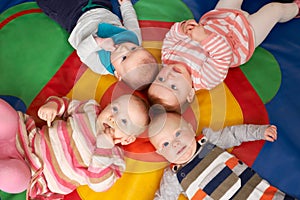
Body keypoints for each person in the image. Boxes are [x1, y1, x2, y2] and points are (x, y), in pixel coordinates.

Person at [148, 0, 300, 112]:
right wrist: (204, 39)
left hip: (218, 18)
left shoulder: (168, 57)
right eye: (173, 87)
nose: (169, 77)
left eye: (160, 79)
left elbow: (171, 37)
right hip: (242, 38)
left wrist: (182, 29)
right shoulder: (204, 79)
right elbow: (222, 55)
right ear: (190, 94)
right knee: (274, 9)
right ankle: (294, 9)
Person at [0, 94, 149, 199]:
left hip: (34, 174)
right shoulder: (91, 110)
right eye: (115, 109)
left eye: (124, 122)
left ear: (127, 140)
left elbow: (99, 184)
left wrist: (104, 147)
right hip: (26, 138)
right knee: (6, 115)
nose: (113, 118)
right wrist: (53, 106)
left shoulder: (114, 158)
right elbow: (66, 104)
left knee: (14, 178)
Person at [148, 112, 296, 199]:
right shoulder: (174, 177)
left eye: (177, 133)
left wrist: (259, 132)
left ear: (190, 128)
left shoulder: (208, 143)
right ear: (160, 153)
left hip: (257, 194)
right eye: (165, 144)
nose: (175, 143)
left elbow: (234, 134)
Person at [36, 0, 159, 90]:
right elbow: (130, 20)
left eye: (124, 58)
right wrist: (126, 4)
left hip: (74, 18)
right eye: (134, 48)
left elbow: (82, 51)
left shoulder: (100, 66)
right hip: (100, 6)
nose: (125, 48)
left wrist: (98, 42)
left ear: (117, 74)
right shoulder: (133, 38)